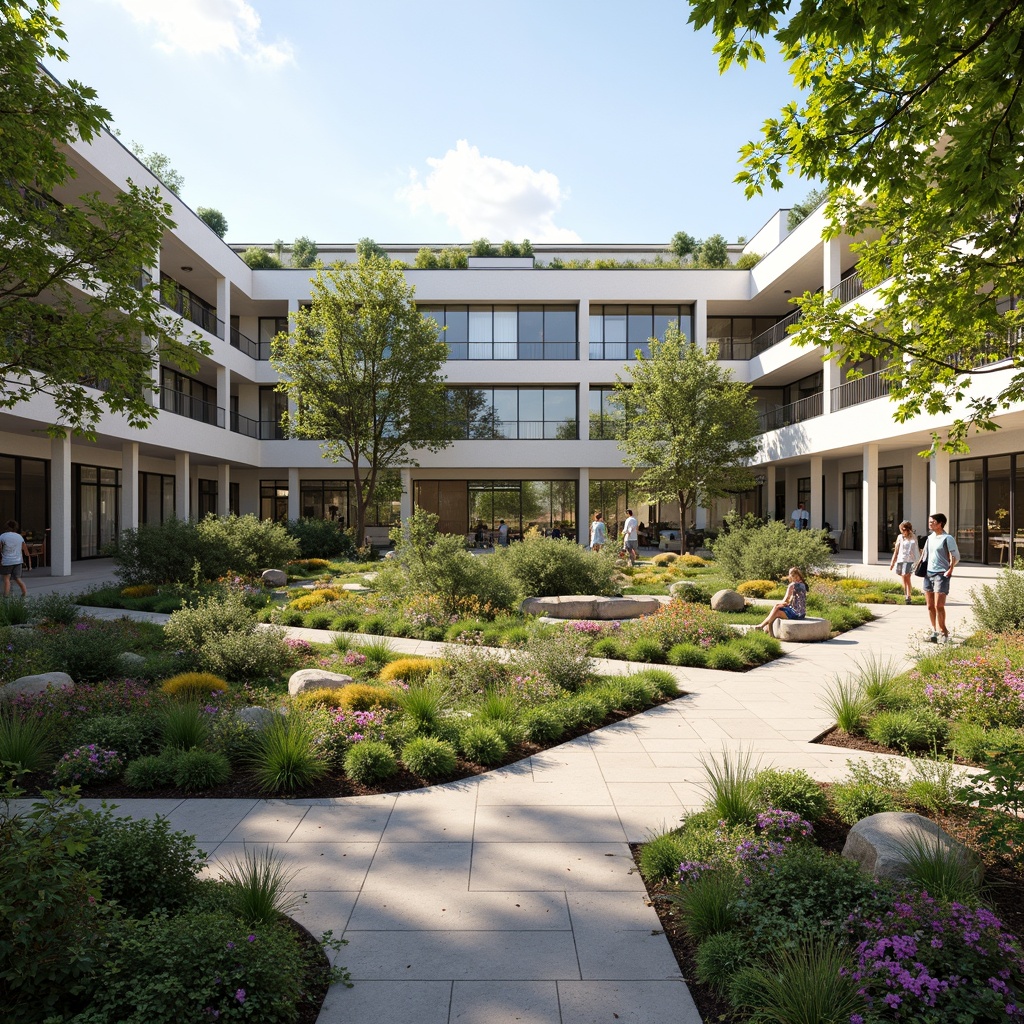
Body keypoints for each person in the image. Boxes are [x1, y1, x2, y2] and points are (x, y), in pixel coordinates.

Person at [921, 512, 959, 643]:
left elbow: (956, 556)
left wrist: (950, 569)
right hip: (928, 574)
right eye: (929, 522)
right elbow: (925, 555)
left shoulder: (947, 538)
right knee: (930, 606)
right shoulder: (930, 538)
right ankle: (934, 631)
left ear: (940, 523)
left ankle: (944, 632)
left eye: (932, 522)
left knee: (939, 605)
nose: (930, 524)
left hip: (941, 575)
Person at [755, 567, 807, 637]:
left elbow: (785, 600)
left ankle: (763, 626)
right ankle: (769, 631)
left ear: (791, 576)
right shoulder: (803, 584)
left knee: (776, 608)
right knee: (776, 612)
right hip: (802, 613)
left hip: (796, 613)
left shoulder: (792, 585)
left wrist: (778, 605)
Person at [889, 520, 917, 604]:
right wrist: (892, 562)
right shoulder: (900, 537)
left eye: (903, 529)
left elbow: (916, 549)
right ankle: (906, 595)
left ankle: (908, 595)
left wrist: (917, 561)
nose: (902, 531)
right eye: (901, 530)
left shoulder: (913, 537)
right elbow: (896, 550)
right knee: (903, 578)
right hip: (901, 559)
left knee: (907, 576)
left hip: (910, 560)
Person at [0, 519, 30, 598]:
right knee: (17, 578)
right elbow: (25, 551)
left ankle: (6, 595)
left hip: (6, 561)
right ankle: (24, 593)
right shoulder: (19, 536)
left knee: (6, 579)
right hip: (18, 561)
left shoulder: (2, 536)